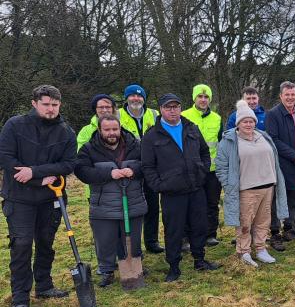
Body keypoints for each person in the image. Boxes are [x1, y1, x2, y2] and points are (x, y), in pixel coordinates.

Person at [0, 85, 76, 307]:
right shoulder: (15, 125)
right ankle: (20, 299)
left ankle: (44, 285)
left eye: (54, 105)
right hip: (19, 198)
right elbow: (6, 158)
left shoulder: (66, 132)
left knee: (46, 242)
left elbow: (68, 164)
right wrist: (40, 178)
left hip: (50, 198)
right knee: (21, 245)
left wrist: (34, 172)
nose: (51, 109)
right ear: (34, 103)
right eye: (46, 104)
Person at [141, 94, 219, 281]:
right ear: (161, 109)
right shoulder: (152, 136)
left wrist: (202, 171)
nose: (173, 111)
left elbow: (204, 152)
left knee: (199, 225)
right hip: (172, 193)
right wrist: (159, 185)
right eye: (168, 107)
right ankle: (174, 266)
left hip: (195, 187)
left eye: (176, 107)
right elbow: (148, 166)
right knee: (174, 229)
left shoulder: (191, 128)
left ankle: (199, 259)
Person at [74, 116, 146, 287]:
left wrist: (133, 170)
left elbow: (148, 164)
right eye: (107, 130)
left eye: (115, 129)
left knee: (132, 238)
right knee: (105, 239)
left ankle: (134, 268)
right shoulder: (89, 149)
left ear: (120, 128)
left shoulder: (135, 145)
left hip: (133, 200)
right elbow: (81, 171)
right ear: (99, 130)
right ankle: (106, 270)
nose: (112, 133)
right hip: (103, 204)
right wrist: (109, 174)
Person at [216, 100, 288, 266]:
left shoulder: (264, 136)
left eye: (251, 121)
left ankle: (261, 249)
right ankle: (244, 252)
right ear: (238, 123)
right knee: (245, 223)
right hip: (246, 190)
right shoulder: (229, 141)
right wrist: (229, 186)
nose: (248, 124)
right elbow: (221, 167)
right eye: (244, 121)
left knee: (263, 222)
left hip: (267, 187)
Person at [118, 84, 163, 254]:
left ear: (144, 98)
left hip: (152, 167)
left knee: (152, 205)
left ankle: (152, 242)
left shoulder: (154, 114)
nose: (136, 99)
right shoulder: (117, 115)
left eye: (139, 96)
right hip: (130, 168)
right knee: (132, 208)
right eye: (132, 96)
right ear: (126, 98)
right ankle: (132, 245)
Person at [265, 81, 295, 239]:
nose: (290, 97)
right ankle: (274, 231)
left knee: (294, 196)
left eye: (293, 94)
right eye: (287, 95)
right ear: (281, 96)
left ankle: (289, 228)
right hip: (281, 164)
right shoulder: (273, 114)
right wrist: (294, 155)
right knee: (278, 198)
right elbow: (273, 140)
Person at [182, 84, 223, 246]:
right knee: (190, 204)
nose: (203, 100)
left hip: (212, 170)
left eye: (206, 97)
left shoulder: (217, 118)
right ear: (194, 98)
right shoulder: (184, 116)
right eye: (200, 96)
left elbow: (220, 143)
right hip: (191, 170)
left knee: (212, 203)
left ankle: (210, 234)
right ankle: (187, 237)